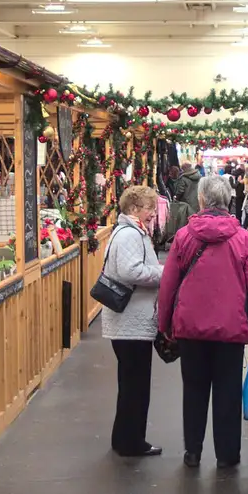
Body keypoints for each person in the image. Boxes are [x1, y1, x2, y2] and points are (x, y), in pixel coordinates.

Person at [158, 175, 248, 470]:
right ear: (229, 200)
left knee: (193, 389)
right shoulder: (242, 238)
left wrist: (165, 323)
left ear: (202, 199)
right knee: (227, 391)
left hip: (190, 326)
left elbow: (168, 283)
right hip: (231, 328)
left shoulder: (184, 236)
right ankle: (227, 454)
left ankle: (193, 452)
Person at [100, 185, 165, 457]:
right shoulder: (129, 235)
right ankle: (132, 442)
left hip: (130, 321)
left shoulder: (129, 232)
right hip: (131, 322)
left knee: (131, 383)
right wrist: (162, 272)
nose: (153, 213)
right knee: (135, 384)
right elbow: (130, 271)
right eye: (149, 208)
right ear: (134, 208)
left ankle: (124, 437)